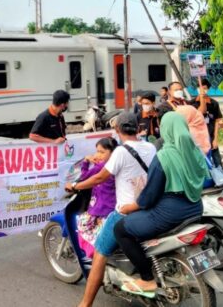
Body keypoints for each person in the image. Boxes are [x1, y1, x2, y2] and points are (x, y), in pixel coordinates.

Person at [65, 112, 156, 307]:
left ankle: (85, 303)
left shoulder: (121, 152)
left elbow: (99, 178)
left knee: (100, 252)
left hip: (125, 211)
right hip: (148, 206)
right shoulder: (150, 147)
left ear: (117, 130)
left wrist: (75, 187)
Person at [114, 112, 209, 294]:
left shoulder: (164, 156)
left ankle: (147, 279)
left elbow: (148, 198)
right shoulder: (195, 151)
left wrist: (130, 207)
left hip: (170, 213)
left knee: (120, 229)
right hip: (196, 207)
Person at [76, 137, 118, 258]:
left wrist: (85, 162)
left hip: (101, 209)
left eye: (102, 152)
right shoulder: (113, 163)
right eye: (97, 151)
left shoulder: (101, 167)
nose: (98, 155)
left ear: (112, 152)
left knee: (82, 225)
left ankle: (94, 258)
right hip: (112, 207)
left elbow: (84, 177)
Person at [192, 79, 223, 166]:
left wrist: (215, 139)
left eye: (204, 88)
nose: (202, 90)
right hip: (197, 138)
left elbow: (217, 121)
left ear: (208, 89)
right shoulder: (192, 103)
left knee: (217, 162)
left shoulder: (214, 103)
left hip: (211, 135)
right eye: (200, 87)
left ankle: (221, 178)